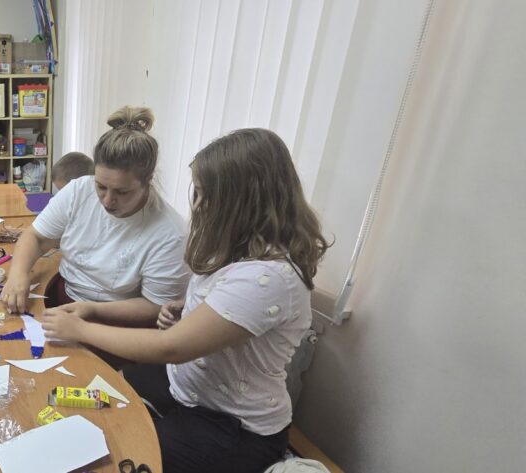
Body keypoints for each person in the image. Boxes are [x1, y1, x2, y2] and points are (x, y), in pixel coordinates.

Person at [40, 128, 331, 473]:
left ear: (241, 201)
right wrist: (187, 311)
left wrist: (81, 329)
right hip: (186, 386)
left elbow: (171, 348)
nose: (198, 203)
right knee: (100, 399)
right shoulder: (238, 247)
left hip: (233, 424)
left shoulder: (269, 276)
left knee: (123, 453)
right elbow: (221, 312)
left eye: (205, 194)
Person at [1, 106, 189, 333]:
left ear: (148, 180)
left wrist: (91, 310)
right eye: (100, 186)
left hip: (118, 323)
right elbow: (37, 237)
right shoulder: (79, 190)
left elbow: (154, 305)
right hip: (64, 296)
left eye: (122, 192)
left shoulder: (171, 233)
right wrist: (18, 273)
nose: (107, 201)